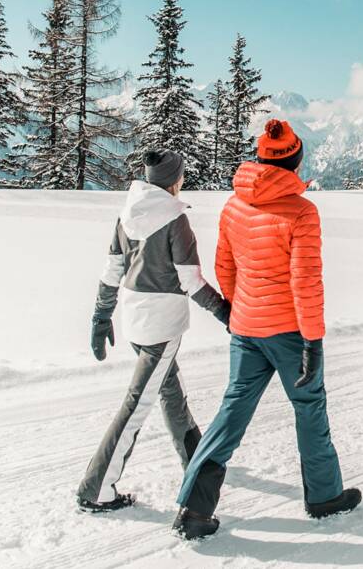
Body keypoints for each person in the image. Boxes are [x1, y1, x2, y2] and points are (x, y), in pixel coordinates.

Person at [172, 119, 361, 540]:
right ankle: (324, 496)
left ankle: (195, 509)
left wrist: (240, 310)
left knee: (232, 410)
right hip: (291, 332)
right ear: (294, 160)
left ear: (260, 158)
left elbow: (225, 265)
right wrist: (312, 340)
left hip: (247, 326)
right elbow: (305, 280)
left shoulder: (234, 205)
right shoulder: (301, 211)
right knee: (309, 406)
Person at [76, 150, 231, 512]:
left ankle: (196, 458)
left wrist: (101, 317)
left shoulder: (128, 212)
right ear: (175, 180)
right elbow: (190, 280)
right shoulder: (175, 218)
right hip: (162, 323)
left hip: (134, 318)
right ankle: (96, 488)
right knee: (138, 402)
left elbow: (112, 271)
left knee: (169, 390)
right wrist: (226, 312)